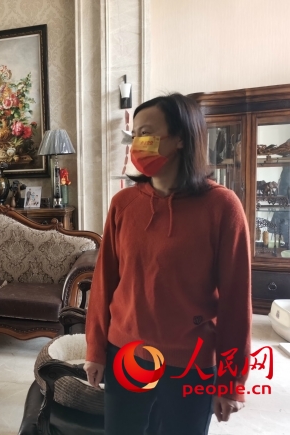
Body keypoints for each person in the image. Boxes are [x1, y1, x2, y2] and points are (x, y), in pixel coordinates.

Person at [83, 93, 251, 434]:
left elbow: (236, 301)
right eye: (135, 135)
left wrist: (231, 381)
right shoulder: (123, 203)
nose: (137, 144)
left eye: (147, 133)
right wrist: (95, 350)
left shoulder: (222, 207)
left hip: (190, 363)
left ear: (181, 138)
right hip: (125, 354)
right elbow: (104, 283)